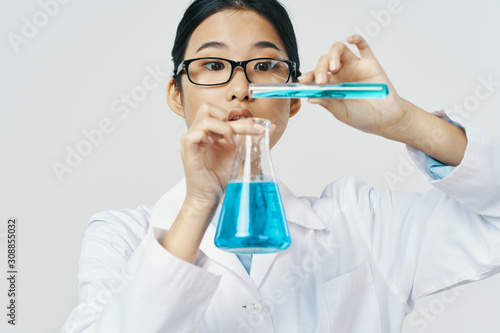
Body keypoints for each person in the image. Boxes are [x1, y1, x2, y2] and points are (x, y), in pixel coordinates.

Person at [61, 0, 500, 332]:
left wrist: (406, 121)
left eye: (265, 65)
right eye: (213, 65)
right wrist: (198, 203)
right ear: (177, 94)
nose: (240, 87)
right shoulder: (120, 237)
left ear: (293, 98)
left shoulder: (361, 221)